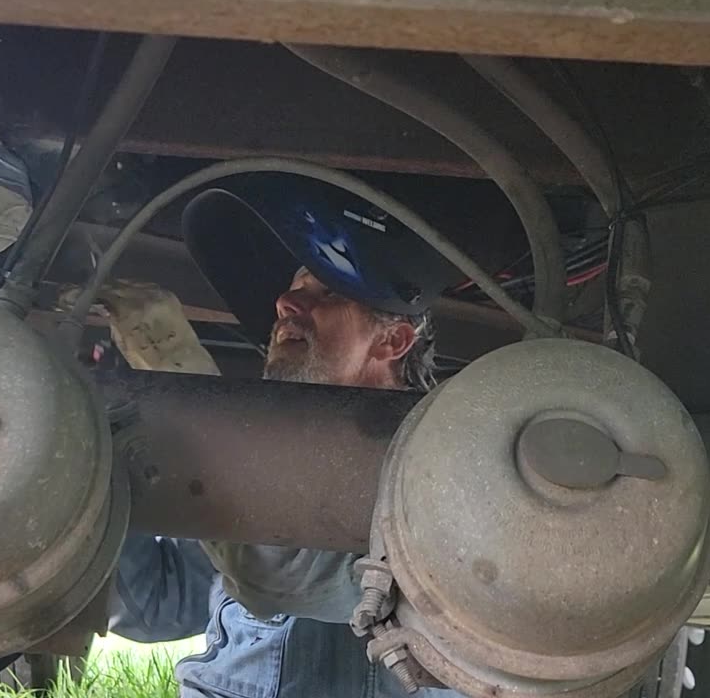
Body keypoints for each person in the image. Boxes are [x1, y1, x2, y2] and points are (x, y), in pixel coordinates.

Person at [107, 177, 459, 698]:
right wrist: (103, 458)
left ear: (393, 338)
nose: (286, 302)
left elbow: (277, 576)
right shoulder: (256, 446)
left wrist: (180, 380)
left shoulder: (452, 464)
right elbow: (154, 605)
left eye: (326, 290)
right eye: (294, 287)